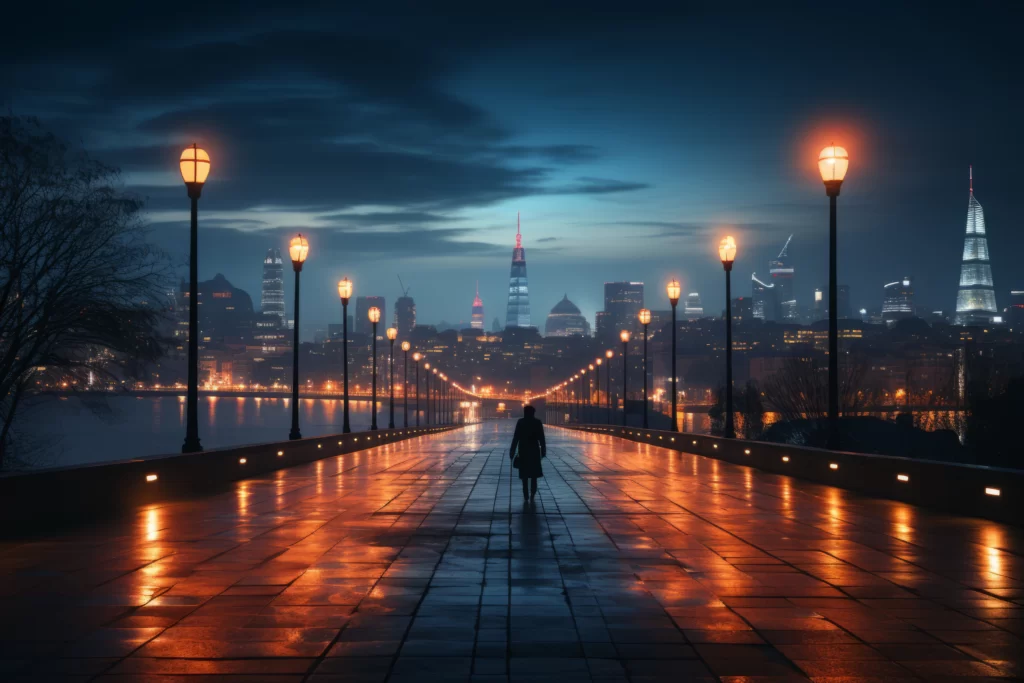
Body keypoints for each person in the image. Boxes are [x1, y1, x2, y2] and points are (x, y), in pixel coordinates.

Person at [510, 404, 546, 501]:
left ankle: (525, 493)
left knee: (524, 474)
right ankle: (533, 493)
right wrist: (543, 450)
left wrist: (512, 451)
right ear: (533, 413)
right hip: (534, 450)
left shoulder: (521, 422)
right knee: (534, 474)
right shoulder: (537, 422)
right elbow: (542, 438)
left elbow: (516, 437)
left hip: (523, 450)